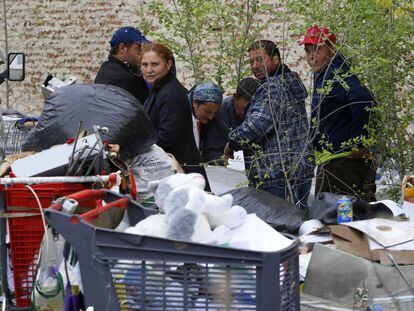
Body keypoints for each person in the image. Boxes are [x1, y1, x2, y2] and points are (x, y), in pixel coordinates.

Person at [224, 40, 314, 209]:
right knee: (295, 222)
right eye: (251, 61)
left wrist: (232, 143)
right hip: (299, 169)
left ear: (275, 60)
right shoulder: (288, 83)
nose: (255, 65)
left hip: (276, 173)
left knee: (276, 229)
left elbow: (256, 126)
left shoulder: (272, 87)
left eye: (260, 59)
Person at [300, 24, 376, 202]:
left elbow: (364, 100)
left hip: (344, 165)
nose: (311, 57)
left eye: (317, 50)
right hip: (334, 162)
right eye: (308, 51)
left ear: (332, 49)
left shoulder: (338, 74)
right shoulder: (325, 73)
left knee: (338, 223)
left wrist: (358, 143)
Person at [140, 43, 210, 190]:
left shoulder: (171, 93)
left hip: (181, 171)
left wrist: (138, 148)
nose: (149, 70)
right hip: (171, 170)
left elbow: (167, 138)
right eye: (144, 65)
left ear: (168, 64)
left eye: (155, 64)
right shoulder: (159, 89)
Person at [203, 77, 260, 164]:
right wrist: (228, 161)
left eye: (251, 110)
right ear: (235, 97)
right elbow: (212, 153)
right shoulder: (220, 114)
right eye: (244, 108)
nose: (247, 114)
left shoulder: (262, 113)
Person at [95, 26, 149, 104]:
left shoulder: (109, 68)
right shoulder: (121, 77)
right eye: (138, 48)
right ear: (122, 48)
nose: (141, 53)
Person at [187, 82, 223, 152]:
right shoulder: (180, 116)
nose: (211, 117)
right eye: (208, 112)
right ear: (195, 103)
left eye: (215, 113)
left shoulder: (213, 120)